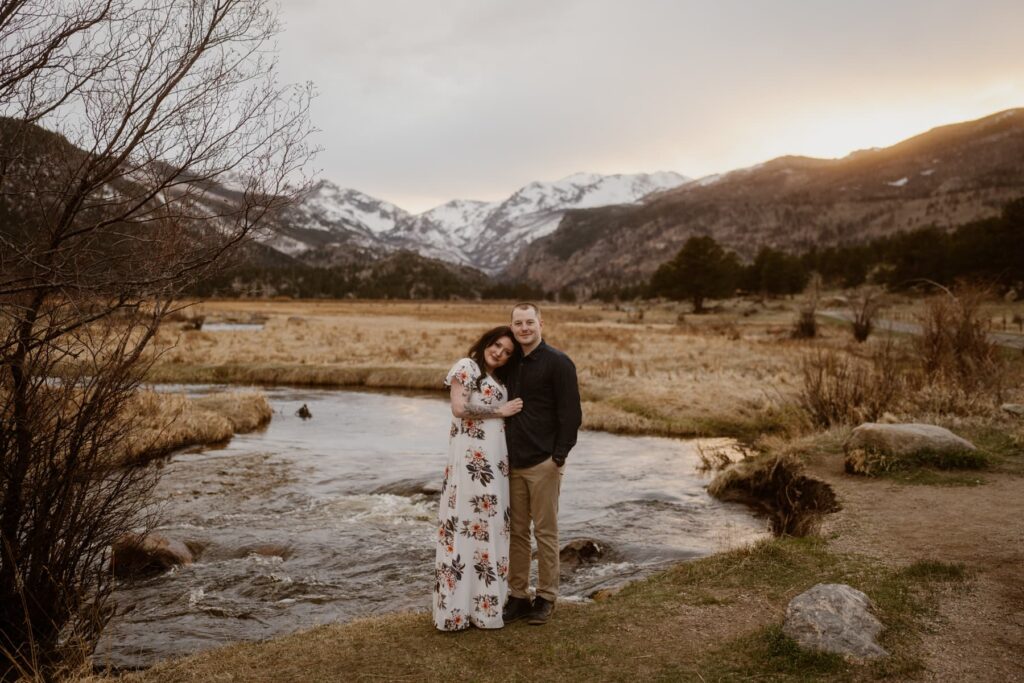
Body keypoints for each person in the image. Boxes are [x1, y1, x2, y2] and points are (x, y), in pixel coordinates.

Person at [433, 326, 523, 631]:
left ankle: (484, 610)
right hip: (472, 463)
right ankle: (456, 612)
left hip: (495, 465)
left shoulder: (499, 379)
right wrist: (500, 410)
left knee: (491, 529)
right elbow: (459, 408)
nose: (499, 352)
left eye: (507, 351)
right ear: (486, 342)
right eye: (496, 345)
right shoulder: (467, 366)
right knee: (466, 527)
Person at [502, 302, 582, 626]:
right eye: (518, 323)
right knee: (517, 534)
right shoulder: (509, 363)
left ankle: (547, 597)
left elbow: (572, 414)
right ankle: (518, 596)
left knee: (545, 533)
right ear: (512, 326)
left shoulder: (559, 363)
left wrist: (558, 458)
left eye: (529, 322)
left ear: (541, 324)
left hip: (543, 464)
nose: (524, 328)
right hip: (512, 464)